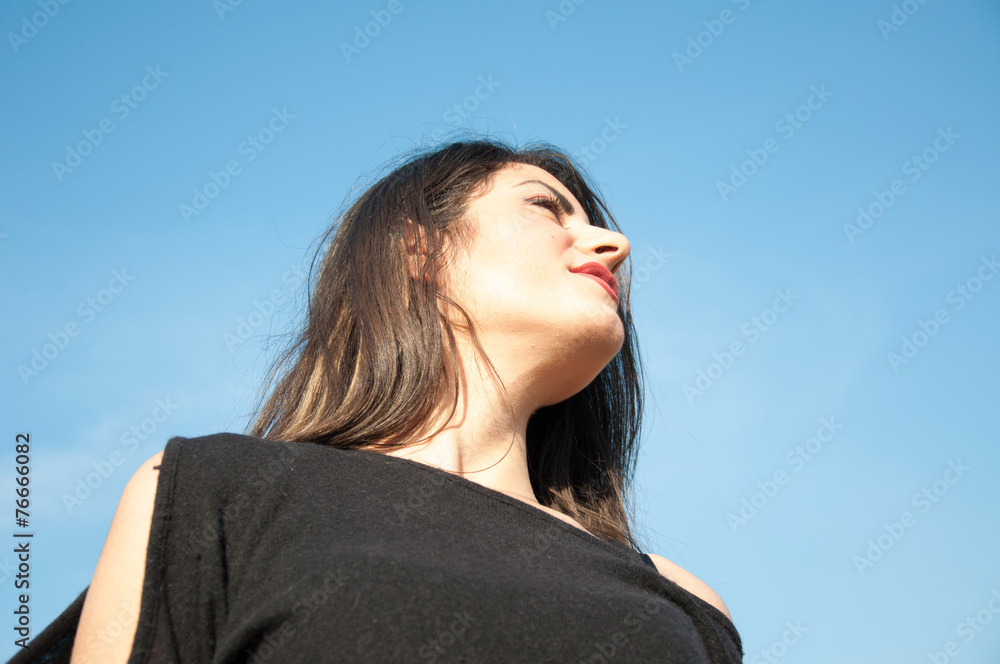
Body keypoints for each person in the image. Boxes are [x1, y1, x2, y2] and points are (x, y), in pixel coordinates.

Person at [13, 137, 742, 663]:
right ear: (418, 252)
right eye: (547, 208)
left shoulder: (685, 601)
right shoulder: (212, 495)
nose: (614, 243)